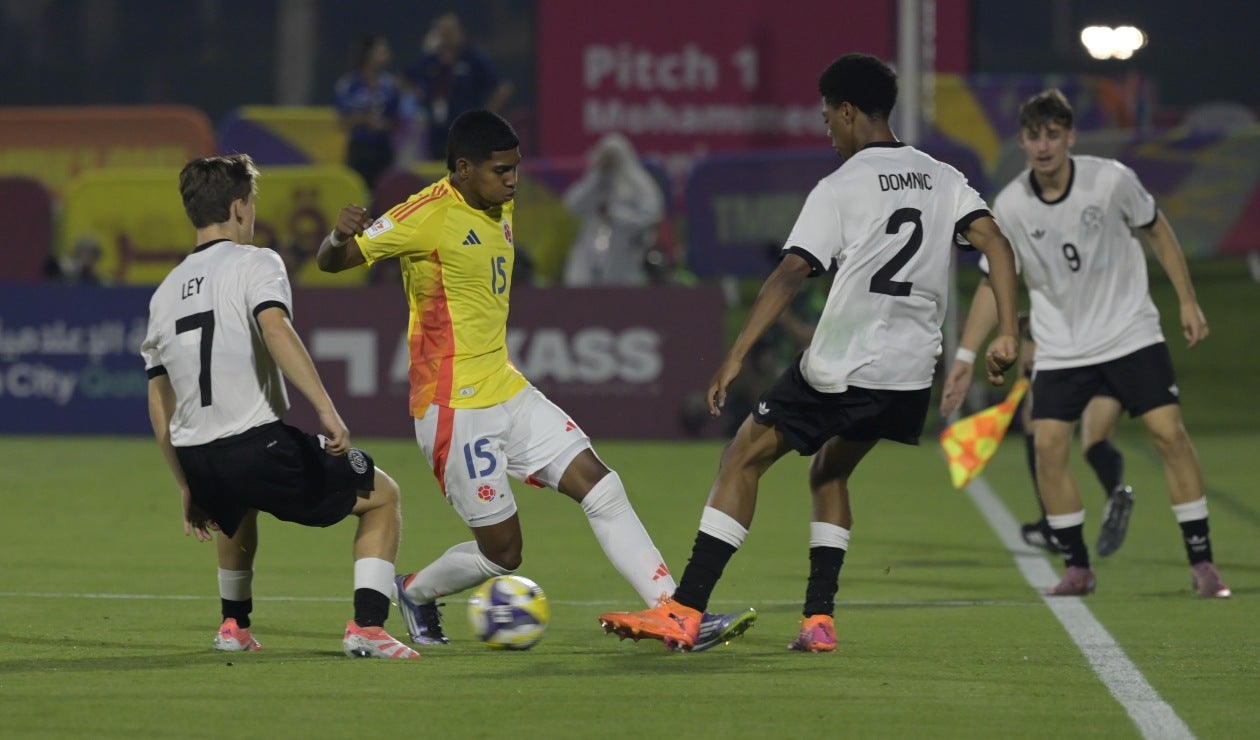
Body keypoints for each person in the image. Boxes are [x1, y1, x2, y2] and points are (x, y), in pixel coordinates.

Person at [597, 53, 1022, 652]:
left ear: (849, 112)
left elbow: (790, 275)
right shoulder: (942, 176)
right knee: (830, 469)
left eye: (828, 119)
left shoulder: (840, 187)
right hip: (908, 378)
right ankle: (818, 619)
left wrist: (735, 356)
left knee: (741, 457)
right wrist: (1006, 331)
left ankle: (685, 607)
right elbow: (996, 243)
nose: (828, 132)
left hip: (844, 365)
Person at [315, 109, 755, 651]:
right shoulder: (423, 214)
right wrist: (338, 236)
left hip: (506, 386)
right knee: (504, 553)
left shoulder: (498, 201)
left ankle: (673, 610)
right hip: (454, 408)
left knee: (602, 485)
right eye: (500, 170)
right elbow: (332, 263)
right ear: (462, 169)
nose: (512, 179)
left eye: (516, 168)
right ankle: (416, 591)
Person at [939, 89, 1229, 598]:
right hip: (1062, 346)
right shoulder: (1010, 205)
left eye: (1053, 134)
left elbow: (1157, 230)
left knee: (1169, 433)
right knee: (1048, 443)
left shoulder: (1111, 180)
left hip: (1128, 333)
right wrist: (965, 354)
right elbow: (993, 280)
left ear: (1070, 137)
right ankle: (1077, 567)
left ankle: (1202, 562)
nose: (1044, 144)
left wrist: (1187, 299)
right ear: (1023, 141)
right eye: (1034, 135)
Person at [142, 154, 419, 660]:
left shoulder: (163, 295)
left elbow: (159, 399)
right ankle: (368, 626)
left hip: (198, 456)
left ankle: (234, 626)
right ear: (240, 208)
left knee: (236, 505)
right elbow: (276, 329)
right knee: (383, 496)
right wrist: (328, 412)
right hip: (254, 446)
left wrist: (185, 482)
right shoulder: (257, 262)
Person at [949, 311, 1135, 557]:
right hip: (1116, 340)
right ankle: (1116, 491)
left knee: (1036, 427)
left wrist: (1030, 335)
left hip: (1062, 345)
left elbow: (1056, 289)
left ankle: (1052, 525)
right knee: (1096, 438)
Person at [403, 12, 513, 161]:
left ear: (461, 32)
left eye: (450, 31)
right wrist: (417, 94)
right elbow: (404, 79)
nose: (446, 36)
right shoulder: (430, 61)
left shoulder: (473, 59)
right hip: (437, 131)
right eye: (441, 32)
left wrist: (486, 117)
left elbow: (503, 88)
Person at [561, 133, 665, 287]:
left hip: (626, 252)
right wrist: (595, 179)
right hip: (589, 252)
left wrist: (615, 214)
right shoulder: (595, 183)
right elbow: (571, 205)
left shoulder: (639, 184)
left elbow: (650, 217)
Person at [334, 33, 402, 192]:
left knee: (385, 196)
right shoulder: (348, 84)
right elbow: (341, 121)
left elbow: (398, 121)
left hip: (383, 149)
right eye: (381, 50)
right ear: (368, 54)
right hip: (359, 150)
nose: (387, 54)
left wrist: (384, 126)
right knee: (358, 195)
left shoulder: (391, 85)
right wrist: (363, 120)